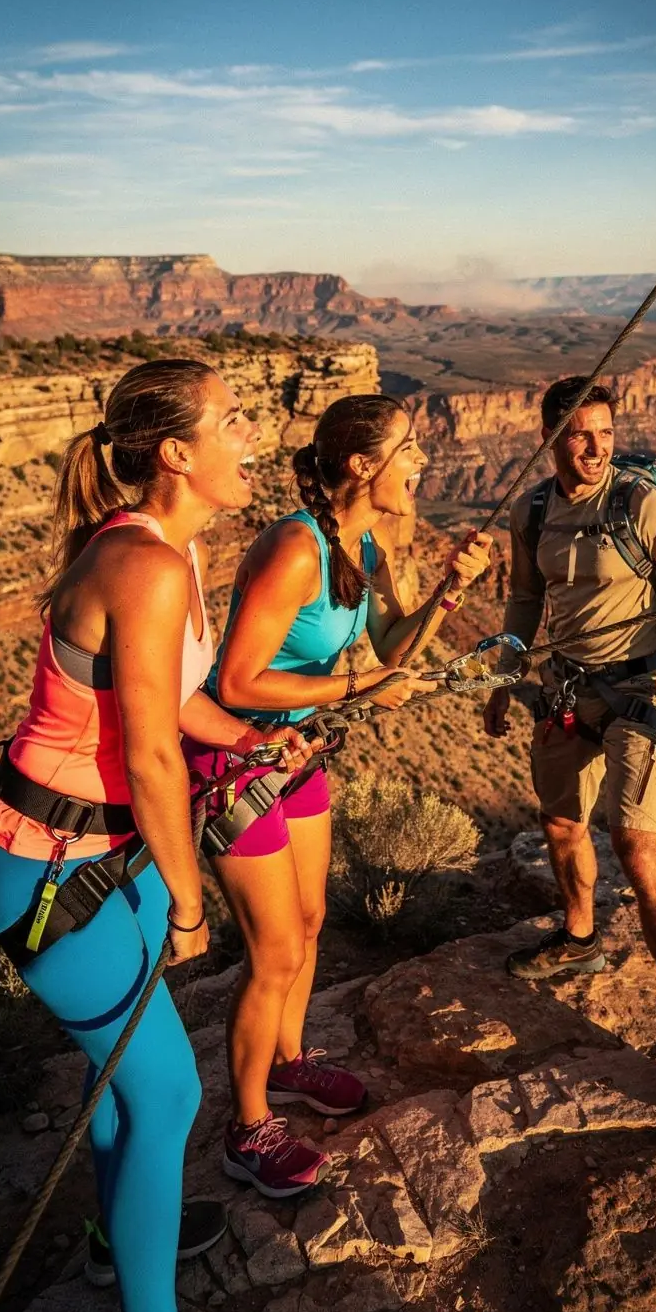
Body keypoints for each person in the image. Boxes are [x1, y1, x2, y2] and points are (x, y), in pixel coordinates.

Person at [0, 359, 312, 1312]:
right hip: (49, 868)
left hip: (109, 857)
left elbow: (178, 703)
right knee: (167, 1094)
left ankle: (117, 1240)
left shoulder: (175, 550)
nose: (252, 436)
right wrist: (193, 900)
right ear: (176, 452)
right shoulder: (148, 566)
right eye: (233, 420)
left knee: (121, 1088)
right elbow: (154, 757)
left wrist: (253, 741)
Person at [184, 393, 492, 1196]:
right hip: (239, 761)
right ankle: (246, 1129)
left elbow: (392, 648)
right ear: (362, 464)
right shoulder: (295, 547)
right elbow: (242, 678)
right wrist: (356, 684)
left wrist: (449, 594)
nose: (425, 460)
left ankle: (287, 1064)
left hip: (300, 754)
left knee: (313, 921)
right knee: (275, 950)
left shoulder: (368, 540)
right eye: (410, 447)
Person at [483, 375, 656, 1120]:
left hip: (644, 691)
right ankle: (581, 935)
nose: (595, 449)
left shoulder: (642, 505)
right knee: (560, 827)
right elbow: (527, 599)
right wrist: (505, 675)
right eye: (580, 435)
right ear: (550, 439)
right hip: (566, 686)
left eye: (606, 434)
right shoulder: (534, 511)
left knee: (637, 844)